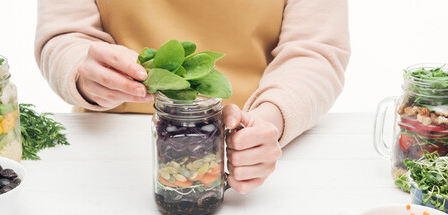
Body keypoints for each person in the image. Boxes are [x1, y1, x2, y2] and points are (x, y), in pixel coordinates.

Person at [34, 0, 350, 194]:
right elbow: (64, 34)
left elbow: (314, 49)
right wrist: (83, 72)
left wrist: (270, 119)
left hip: (248, 137)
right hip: (104, 146)